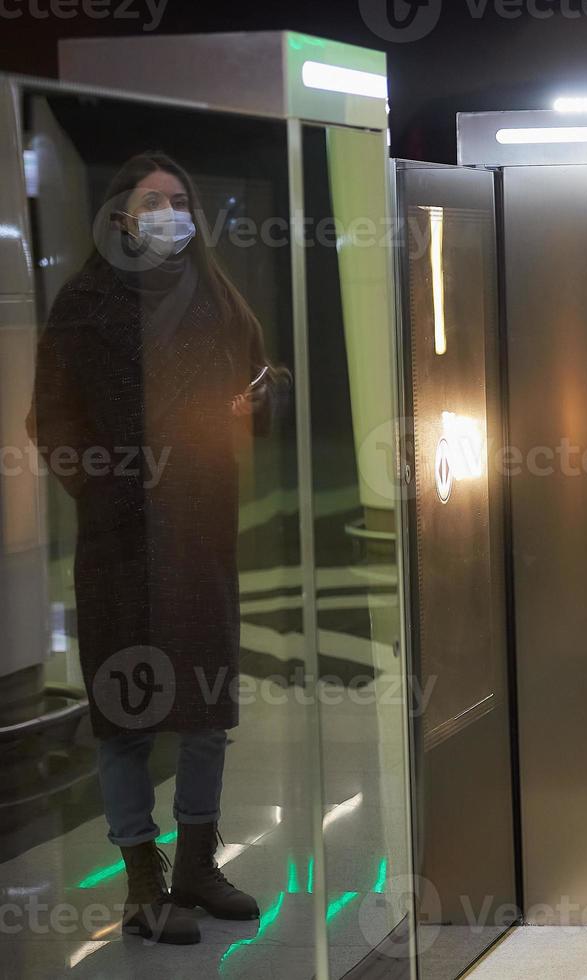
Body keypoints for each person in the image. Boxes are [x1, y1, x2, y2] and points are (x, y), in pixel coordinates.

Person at [31, 152, 288, 945]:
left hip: (201, 531)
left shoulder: (217, 297)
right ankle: (143, 881)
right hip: (119, 540)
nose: (171, 211)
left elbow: (259, 385)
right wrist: (108, 488)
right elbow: (51, 422)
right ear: (121, 214)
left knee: (206, 711)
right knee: (127, 713)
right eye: (155, 199)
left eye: (181, 199)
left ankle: (199, 867)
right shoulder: (84, 302)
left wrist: (263, 398)